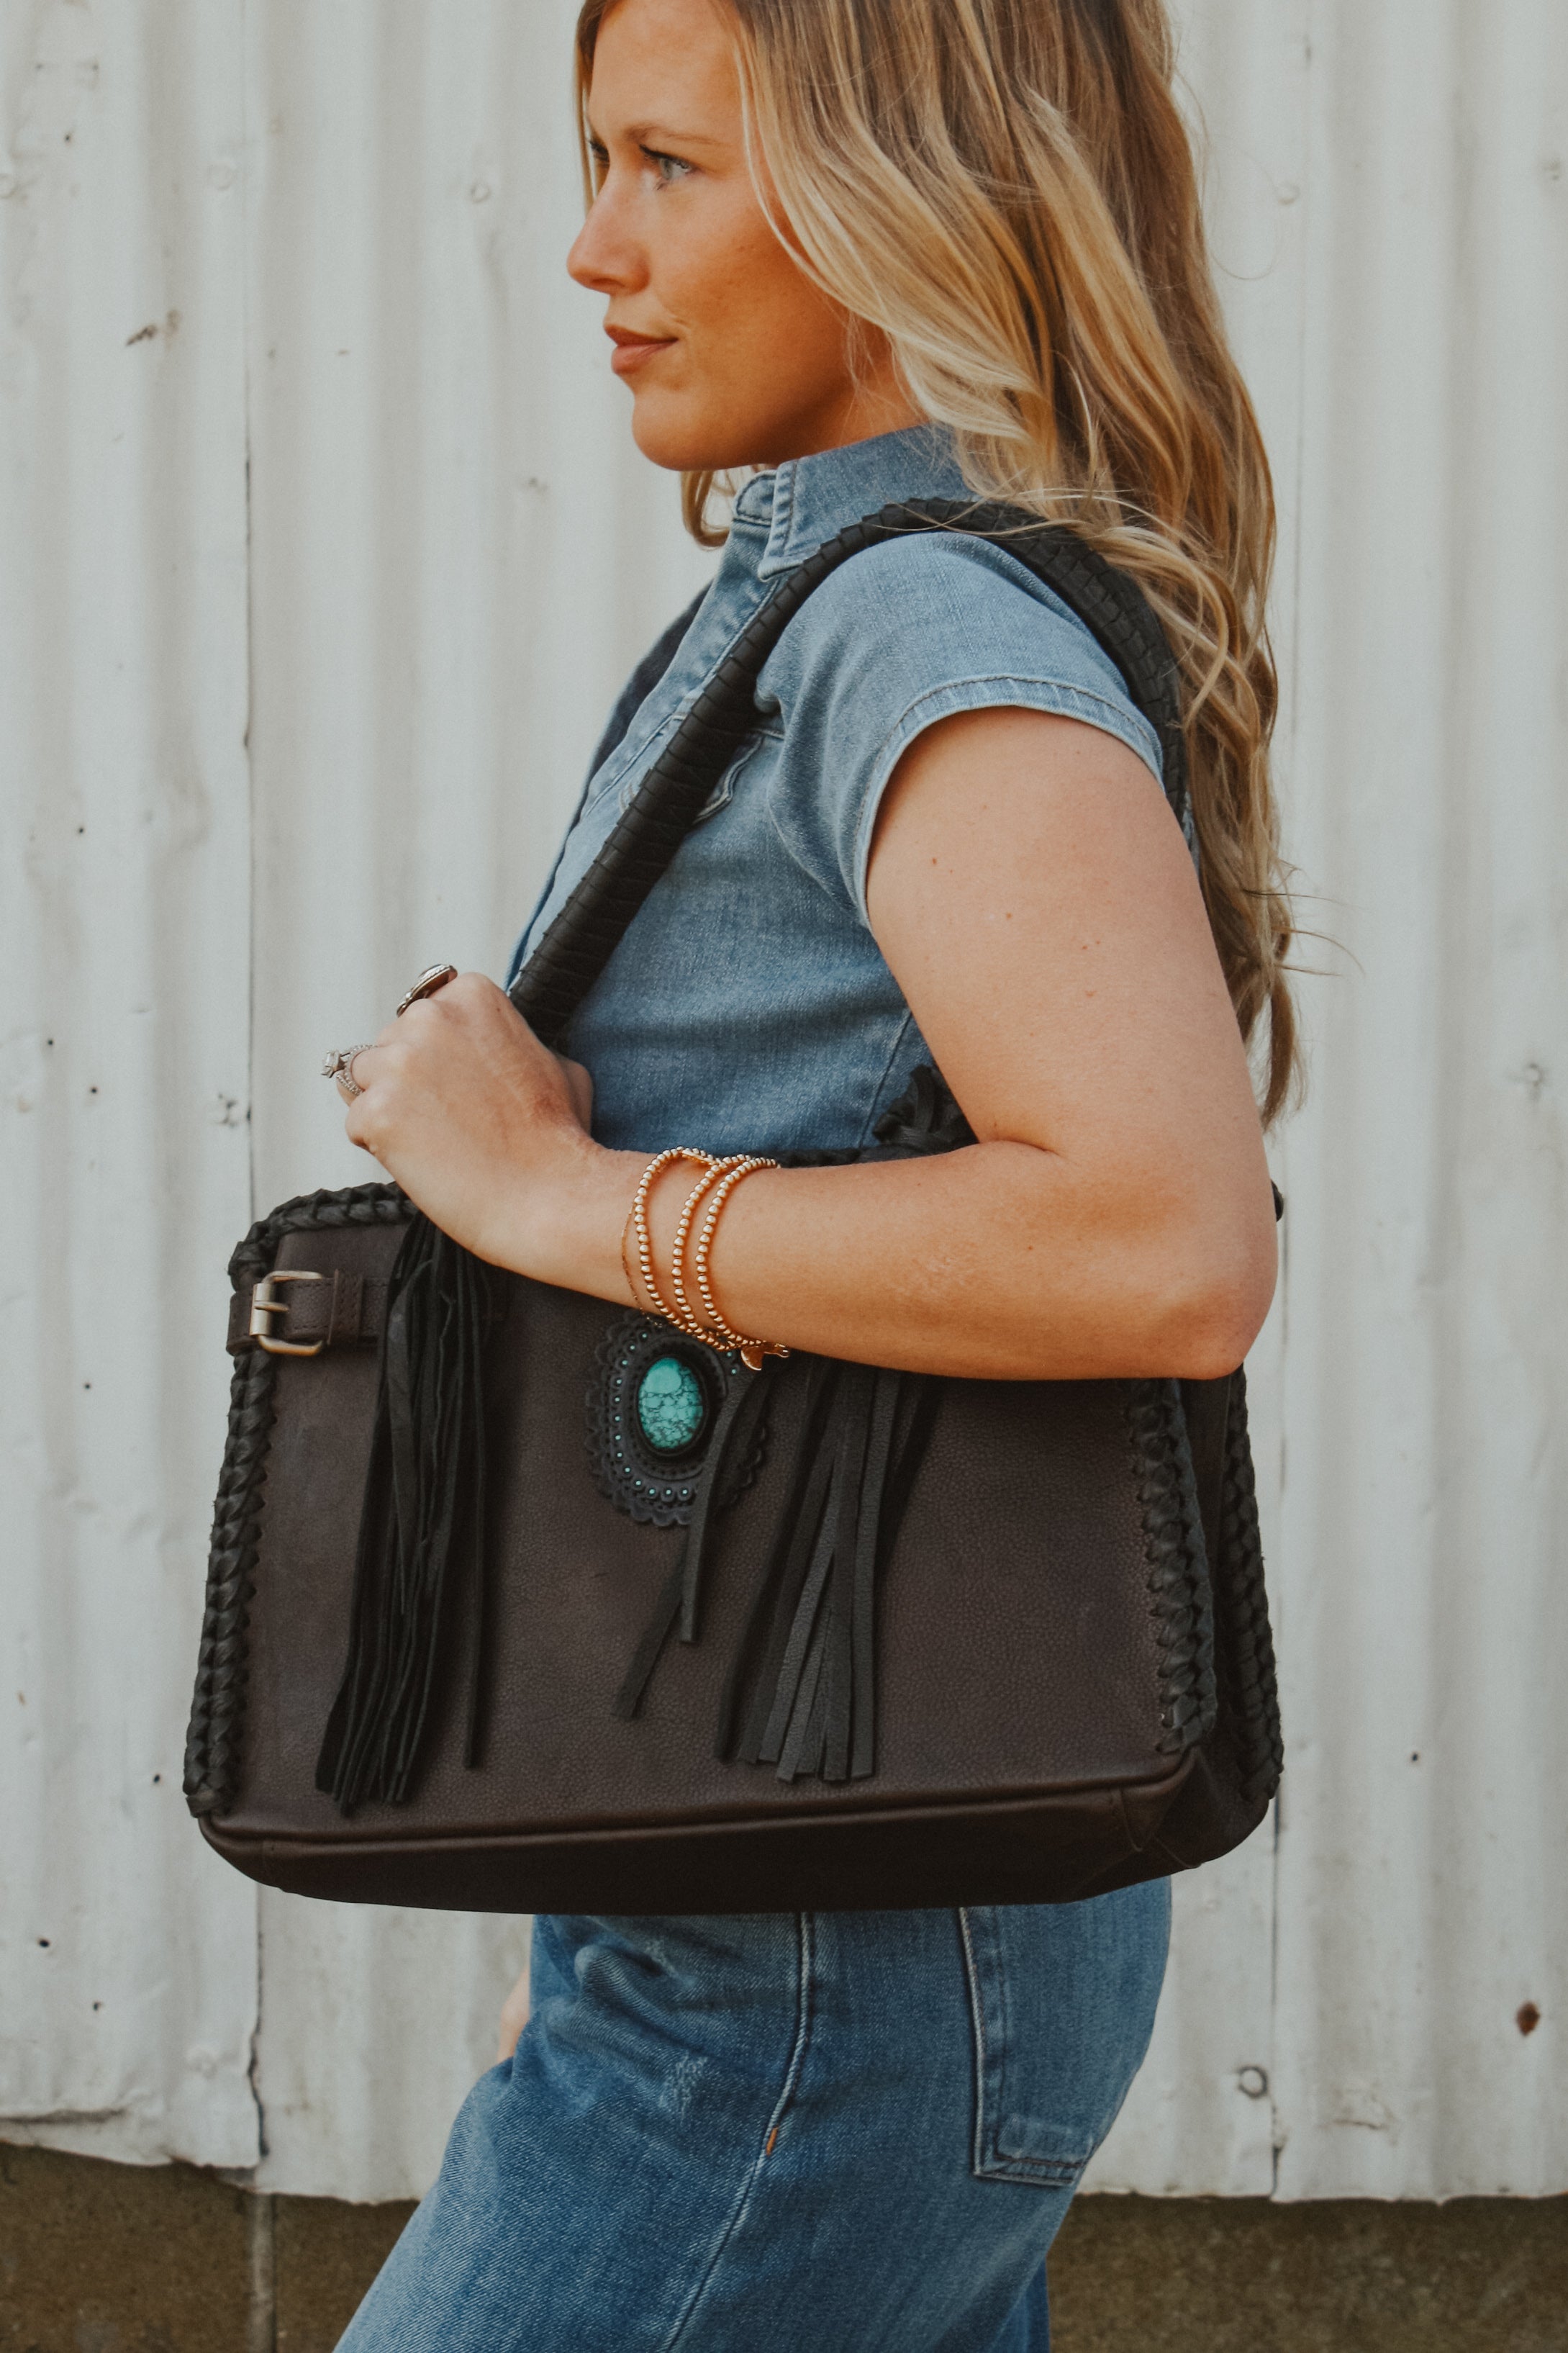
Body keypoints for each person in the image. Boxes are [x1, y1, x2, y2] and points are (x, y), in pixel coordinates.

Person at [333, 0, 1291, 2344]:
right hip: (806, 1895)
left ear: (896, 196)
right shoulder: (818, 604)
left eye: (668, 163)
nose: (591, 246)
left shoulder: (911, 627)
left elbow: (1159, 1241)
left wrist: (551, 1201)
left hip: (829, 1964)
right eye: (595, 157)